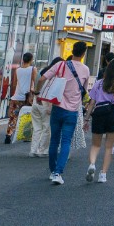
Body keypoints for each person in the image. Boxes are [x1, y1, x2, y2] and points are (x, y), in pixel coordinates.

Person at [41, 44, 91, 185]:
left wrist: (38, 93)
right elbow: (84, 92)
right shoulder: (86, 70)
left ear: (72, 51)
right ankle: (58, 172)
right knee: (66, 141)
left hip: (57, 108)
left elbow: (42, 78)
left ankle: (52, 171)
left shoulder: (60, 65)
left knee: (54, 140)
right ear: (83, 54)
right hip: (72, 111)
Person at [86, 57, 114, 184]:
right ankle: (103, 174)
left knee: (95, 144)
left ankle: (92, 164)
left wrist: (86, 118)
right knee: (109, 147)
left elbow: (92, 102)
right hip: (113, 113)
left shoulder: (99, 83)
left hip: (99, 112)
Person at [2, 52, 36, 144]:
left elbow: (14, 84)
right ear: (31, 60)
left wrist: (13, 95)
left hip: (16, 96)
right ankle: (26, 135)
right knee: (27, 115)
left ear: (23, 60)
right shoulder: (33, 69)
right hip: (27, 98)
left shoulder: (18, 70)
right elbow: (34, 82)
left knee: (13, 117)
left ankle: (8, 134)